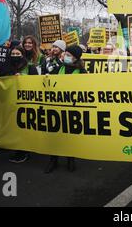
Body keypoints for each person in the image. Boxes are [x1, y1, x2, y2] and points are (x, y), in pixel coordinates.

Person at [44, 45, 87, 174]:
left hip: (72, 108)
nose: (65, 56)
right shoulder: (59, 68)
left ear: (75, 58)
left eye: (68, 54)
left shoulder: (82, 72)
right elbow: (50, 82)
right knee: (55, 134)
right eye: (65, 53)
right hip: (57, 106)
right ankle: (53, 160)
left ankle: (70, 159)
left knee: (70, 135)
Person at [0, 46, 38, 163]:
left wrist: (22, 78)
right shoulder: (5, 66)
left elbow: (35, 81)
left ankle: (23, 151)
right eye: (13, 54)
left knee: (23, 127)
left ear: (22, 55)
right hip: (10, 102)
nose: (15, 56)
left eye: (18, 54)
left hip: (25, 102)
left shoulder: (30, 66)